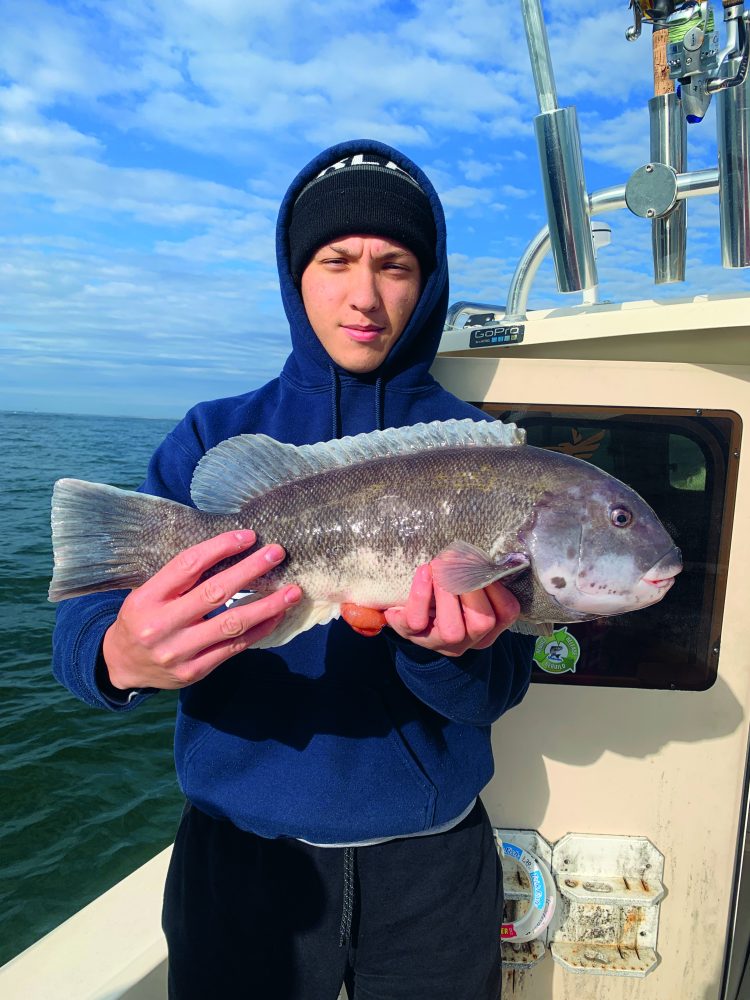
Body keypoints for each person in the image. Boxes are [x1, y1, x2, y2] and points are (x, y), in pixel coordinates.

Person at [52, 139, 535, 1000]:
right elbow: (82, 635)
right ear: (293, 273)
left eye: (395, 265)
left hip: (434, 867)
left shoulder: (485, 454)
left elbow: (500, 688)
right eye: (335, 260)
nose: (365, 294)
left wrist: (445, 652)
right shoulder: (211, 432)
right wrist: (120, 657)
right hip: (240, 866)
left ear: (429, 281)